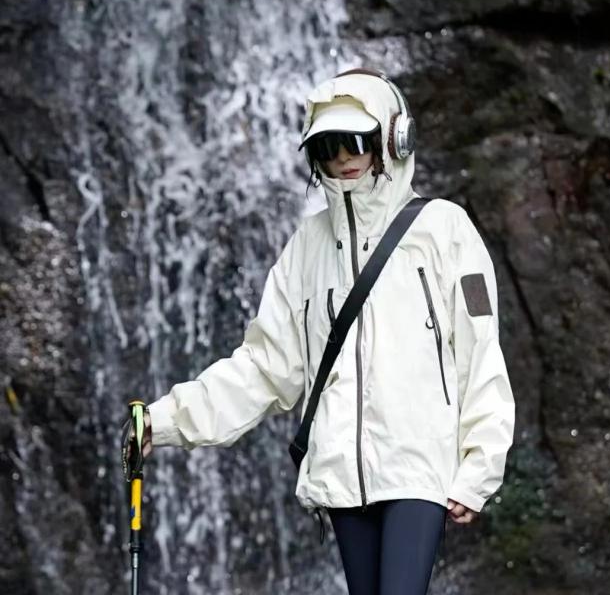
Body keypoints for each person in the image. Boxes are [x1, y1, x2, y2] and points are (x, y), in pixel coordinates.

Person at [126, 68, 515, 594]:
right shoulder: (306, 247)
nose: (344, 157)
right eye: (328, 147)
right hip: (339, 476)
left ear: (394, 137)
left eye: (356, 141)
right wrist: (165, 420)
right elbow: (264, 368)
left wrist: (479, 467)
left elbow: (480, 352)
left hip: (418, 466)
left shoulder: (444, 228)